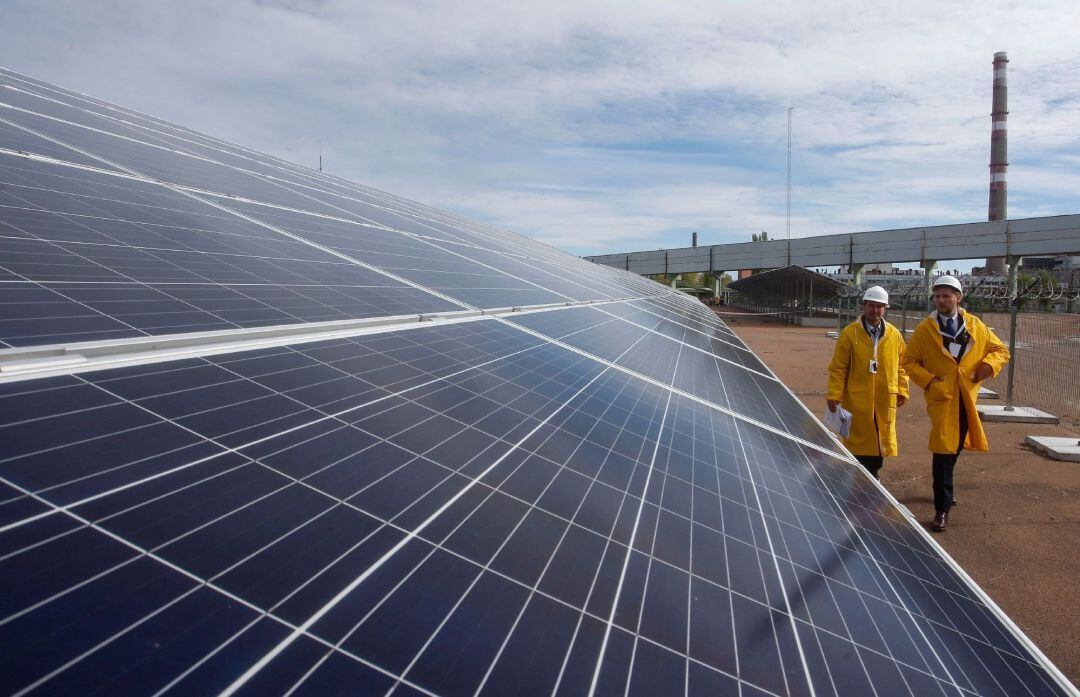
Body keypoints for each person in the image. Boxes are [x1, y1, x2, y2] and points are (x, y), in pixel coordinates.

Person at [902, 275, 1010, 532]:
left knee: (956, 445)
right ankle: (942, 508)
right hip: (942, 399)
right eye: (937, 296)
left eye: (946, 296)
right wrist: (930, 381)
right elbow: (909, 363)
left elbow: (1001, 351)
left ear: (958, 298)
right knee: (942, 450)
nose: (941, 300)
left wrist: (986, 368)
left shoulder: (975, 326)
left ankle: (946, 488)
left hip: (966, 399)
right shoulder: (925, 330)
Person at [827, 286, 909, 479]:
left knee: (879, 445)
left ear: (885, 308)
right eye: (871, 305)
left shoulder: (894, 335)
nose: (875, 310)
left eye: (880, 306)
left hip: (883, 399)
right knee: (858, 445)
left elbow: (902, 366)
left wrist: (902, 390)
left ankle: (873, 477)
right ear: (863, 306)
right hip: (858, 400)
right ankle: (863, 481)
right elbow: (839, 368)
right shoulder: (850, 334)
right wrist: (834, 394)